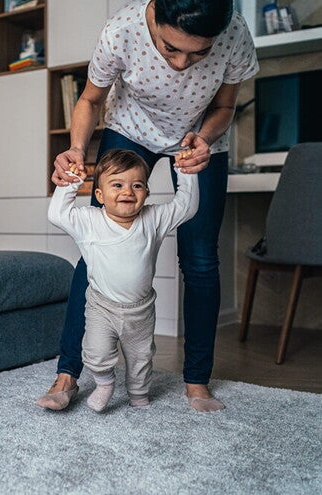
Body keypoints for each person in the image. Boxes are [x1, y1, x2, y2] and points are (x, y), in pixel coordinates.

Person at [38, 0, 259, 413]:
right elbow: (89, 100)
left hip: (199, 138)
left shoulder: (234, 35)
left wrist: (204, 140)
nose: (181, 64)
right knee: (97, 249)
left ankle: (197, 381)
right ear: (154, 15)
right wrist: (76, 151)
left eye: (198, 53)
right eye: (169, 48)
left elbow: (225, 106)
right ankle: (67, 374)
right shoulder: (121, 30)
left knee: (200, 261)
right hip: (130, 128)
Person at [46, 149, 198, 411]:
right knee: (96, 352)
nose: (128, 191)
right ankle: (105, 383)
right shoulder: (90, 221)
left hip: (140, 310)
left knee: (141, 358)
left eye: (137, 185)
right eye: (117, 185)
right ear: (100, 195)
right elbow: (57, 215)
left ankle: (139, 396)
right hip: (101, 306)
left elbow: (186, 207)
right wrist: (71, 182)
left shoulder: (154, 219)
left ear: (147, 194)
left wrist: (186, 174)